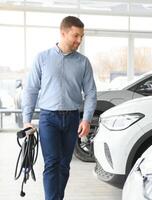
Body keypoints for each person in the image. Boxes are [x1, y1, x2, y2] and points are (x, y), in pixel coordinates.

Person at [22, 16, 97, 200]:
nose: (79, 40)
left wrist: (86, 119)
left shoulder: (83, 62)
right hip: (48, 118)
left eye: (82, 36)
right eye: (75, 35)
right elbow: (31, 90)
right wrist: (26, 120)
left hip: (72, 118)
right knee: (52, 163)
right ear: (63, 33)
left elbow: (91, 93)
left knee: (64, 165)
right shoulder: (43, 58)